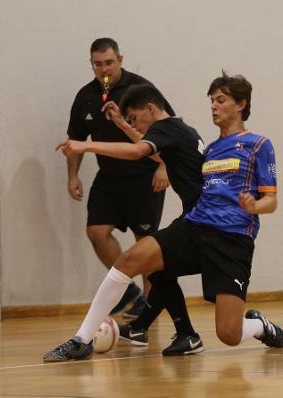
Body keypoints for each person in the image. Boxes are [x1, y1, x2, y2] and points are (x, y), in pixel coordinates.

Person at [45, 72, 283, 362]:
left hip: (232, 241)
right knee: (130, 260)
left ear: (241, 104)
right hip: (195, 227)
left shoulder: (260, 145)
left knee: (229, 334)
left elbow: (271, 200)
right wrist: (125, 126)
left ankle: (258, 325)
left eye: (221, 100)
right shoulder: (210, 149)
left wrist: (254, 207)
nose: (213, 106)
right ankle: (81, 340)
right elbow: (162, 156)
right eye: (211, 100)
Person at [65, 38, 199, 348]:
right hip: (109, 178)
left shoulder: (142, 92)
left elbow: (165, 135)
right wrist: (72, 174)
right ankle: (133, 301)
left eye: (109, 62)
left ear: (120, 59)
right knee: (97, 232)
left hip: (143, 179)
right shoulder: (86, 97)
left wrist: (163, 167)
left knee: (149, 252)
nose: (104, 69)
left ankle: (146, 321)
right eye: (97, 64)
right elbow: (76, 136)